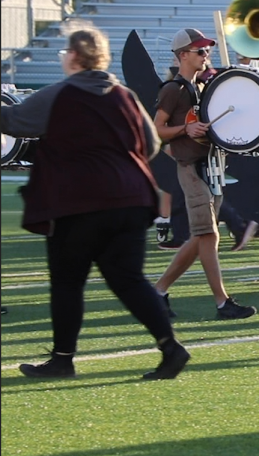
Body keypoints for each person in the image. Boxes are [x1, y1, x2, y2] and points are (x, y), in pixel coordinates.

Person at [1, 25, 190, 380]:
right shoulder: (125, 96)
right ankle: (170, 347)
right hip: (132, 200)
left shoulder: (59, 94)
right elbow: (150, 146)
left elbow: (13, 121)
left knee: (68, 282)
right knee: (129, 280)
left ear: (73, 57)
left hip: (79, 202)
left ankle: (62, 359)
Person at [152, 28, 257, 320]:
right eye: (199, 51)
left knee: (201, 238)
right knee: (208, 235)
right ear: (182, 55)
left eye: (206, 50)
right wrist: (185, 129)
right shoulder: (173, 89)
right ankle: (222, 302)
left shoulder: (201, 87)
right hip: (192, 168)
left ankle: (158, 292)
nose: (205, 54)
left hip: (210, 167)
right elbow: (156, 129)